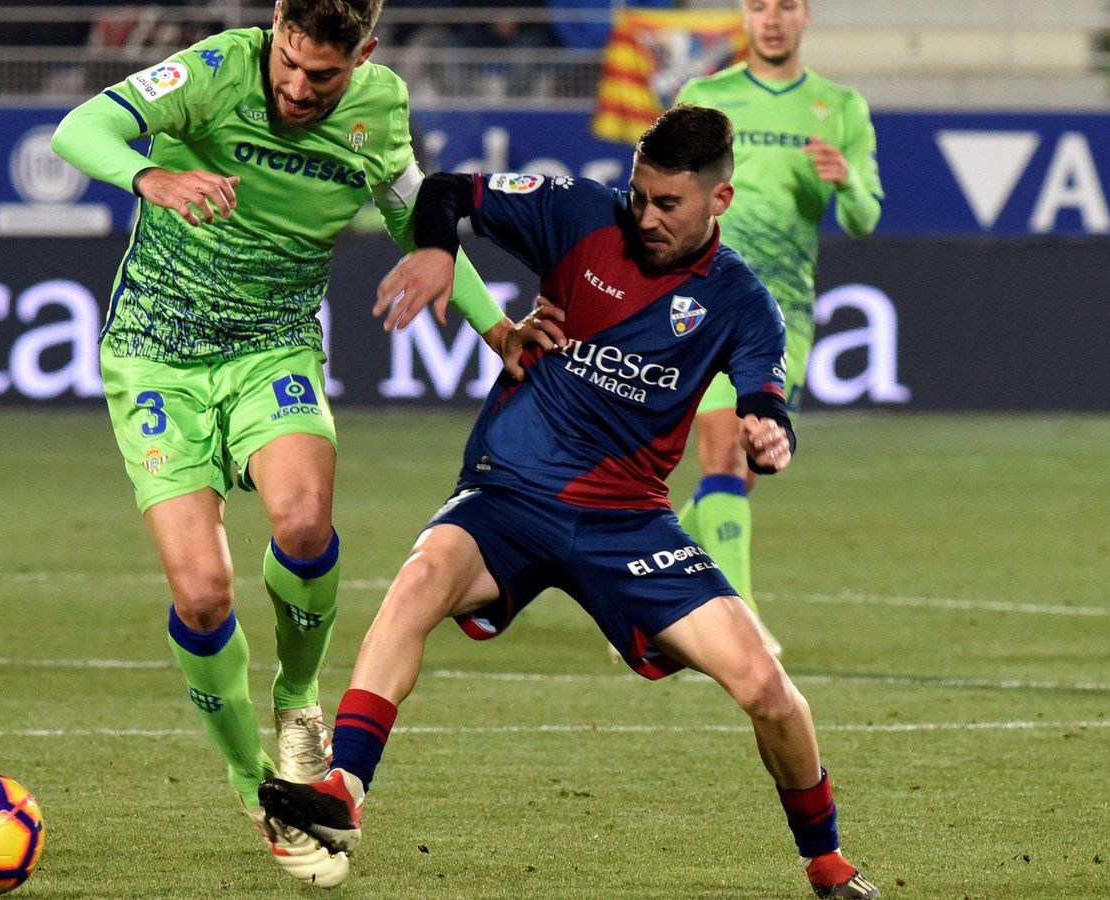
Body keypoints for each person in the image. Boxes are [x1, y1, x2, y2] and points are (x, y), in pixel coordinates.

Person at [259, 104, 881, 899]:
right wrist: (440, 253)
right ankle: (344, 791)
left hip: (626, 521)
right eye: (640, 194)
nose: (645, 216)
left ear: (718, 203)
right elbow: (447, 190)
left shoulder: (740, 302)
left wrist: (768, 429)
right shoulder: (580, 213)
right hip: (509, 491)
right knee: (419, 580)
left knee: (765, 686)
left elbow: (764, 391)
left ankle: (825, 860)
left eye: (668, 205)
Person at [49, 0, 514, 888]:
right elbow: (82, 127)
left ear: (363, 56)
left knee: (303, 525)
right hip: (156, 357)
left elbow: (421, 220)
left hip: (273, 347)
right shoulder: (219, 70)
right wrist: (151, 177)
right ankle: (253, 783)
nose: (300, 90)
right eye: (290, 66)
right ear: (274, 30)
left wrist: (500, 334)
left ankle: (299, 698)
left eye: (324, 76)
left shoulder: (380, 108)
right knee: (202, 590)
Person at [668, 0, 882, 655]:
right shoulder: (707, 96)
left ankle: (640, 587)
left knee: (742, 469)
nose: (771, 18)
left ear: (805, 16)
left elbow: (865, 218)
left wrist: (845, 182)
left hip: (783, 311)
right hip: (704, 298)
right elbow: (659, 189)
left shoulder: (839, 107)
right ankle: (741, 621)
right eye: (759, 5)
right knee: (724, 450)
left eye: (785, 5)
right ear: (745, 14)